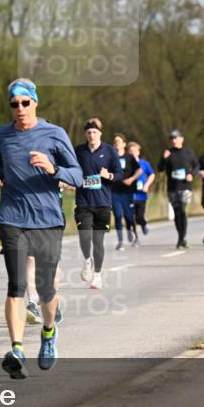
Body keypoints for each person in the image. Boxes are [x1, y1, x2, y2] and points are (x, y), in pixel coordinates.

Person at [0, 79, 82, 379]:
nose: (19, 108)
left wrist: (54, 169)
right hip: (12, 217)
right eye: (14, 104)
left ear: (35, 103)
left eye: (25, 102)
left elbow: (78, 175)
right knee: (16, 285)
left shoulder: (54, 134)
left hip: (48, 220)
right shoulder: (1, 135)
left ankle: (49, 332)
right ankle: (16, 350)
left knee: (45, 288)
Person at [73, 118, 122, 290]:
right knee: (84, 236)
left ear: (100, 133)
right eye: (88, 133)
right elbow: (70, 168)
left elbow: (119, 174)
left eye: (94, 132)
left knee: (98, 241)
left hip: (102, 203)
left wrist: (109, 176)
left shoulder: (109, 151)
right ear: (85, 134)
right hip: (84, 202)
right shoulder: (78, 151)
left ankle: (98, 276)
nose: (91, 135)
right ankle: (87, 260)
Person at [157, 129, 199, 249]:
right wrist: (164, 158)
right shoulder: (168, 153)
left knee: (182, 209)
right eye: (172, 139)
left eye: (176, 138)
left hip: (185, 186)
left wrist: (192, 174)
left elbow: (196, 165)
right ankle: (181, 237)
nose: (174, 141)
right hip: (172, 187)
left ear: (182, 139)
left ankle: (182, 237)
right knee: (177, 213)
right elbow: (160, 168)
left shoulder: (188, 152)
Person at [111, 133, 141, 251]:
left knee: (129, 217)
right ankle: (120, 241)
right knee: (118, 215)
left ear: (124, 144)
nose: (117, 144)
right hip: (115, 192)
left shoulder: (130, 157)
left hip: (127, 192)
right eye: (115, 142)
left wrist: (132, 179)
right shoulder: (111, 158)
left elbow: (139, 171)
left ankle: (135, 236)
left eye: (119, 142)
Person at [128, 141, 155, 239]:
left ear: (138, 152)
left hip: (141, 194)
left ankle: (143, 223)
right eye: (130, 151)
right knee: (129, 216)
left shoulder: (144, 164)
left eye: (134, 151)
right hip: (129, 194)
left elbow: (152, 174)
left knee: (139, 217)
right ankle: (134, 236)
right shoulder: (125, 164)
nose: (132, 153)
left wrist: (147, 185)